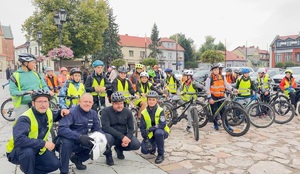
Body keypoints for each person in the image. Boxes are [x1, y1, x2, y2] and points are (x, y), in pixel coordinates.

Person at [6, 89, 69, 174]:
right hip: (16, 151)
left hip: (37, 149)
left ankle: (29, 168)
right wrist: (44, 143)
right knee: (28, 152)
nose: (43, 105)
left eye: (45, 101)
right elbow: (19, 140)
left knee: (54, 164)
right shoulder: (25, 118)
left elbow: (56, 115)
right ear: (33, 103)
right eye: (39, 101)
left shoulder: (48, 112)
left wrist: (62, 112)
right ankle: (28, 169)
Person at [56, 93, 112, 173]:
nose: (87, 104)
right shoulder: (71, 112)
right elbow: (62, 129)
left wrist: (103, 140)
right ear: (79, 101)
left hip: (82, 140)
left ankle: (78, 159)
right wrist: (79, 137)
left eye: (90, 102)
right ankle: (64, 170)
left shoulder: (93, 113)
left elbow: (97, 129)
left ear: (92, 103)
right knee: (66, 142)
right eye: (85, 101)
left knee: (105, 138)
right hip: (69, 140)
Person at [101, 92, 141, 165]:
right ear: (112, 103)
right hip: (111, 135)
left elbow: (131, 128)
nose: (119, 106)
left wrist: (127, 138)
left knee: (136, 144)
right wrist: (122, 137)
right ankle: (108, 154)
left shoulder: (127, 112)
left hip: (123, 135)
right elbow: (106, 127)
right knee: (107, 138)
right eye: (116, 104)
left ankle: (119, 149)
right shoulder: (106, 111)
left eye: (121, 103)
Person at [9, 53, 52, 118]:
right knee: (22, 124)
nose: (35, 65)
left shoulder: (36, 74)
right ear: (25, 63)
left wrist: (48, 91)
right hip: (23, 104)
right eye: (33, 63)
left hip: (37, 103)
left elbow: (44, 86)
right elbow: (13, 91)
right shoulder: (15, 76)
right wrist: (26, 92)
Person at [140, 91, 170, 164]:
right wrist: (146, 139)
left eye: (153, 100)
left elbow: (162, 124)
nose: (151, 101)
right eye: (150, 99)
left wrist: (152, 128)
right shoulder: (144, 112)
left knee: (158, 133)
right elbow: (142, 127)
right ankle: (153, 146)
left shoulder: (160, 110)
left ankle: (160, 154)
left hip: (162, 132)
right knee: (144, 150)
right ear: (147, 100)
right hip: (150, 134)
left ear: (156, 100)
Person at [205, 64, 237, 131]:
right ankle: (215, 124)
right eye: (214, 70)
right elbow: (207, 89)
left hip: (221, 97)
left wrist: (233, 89)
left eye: (217, 69)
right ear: (212, 71)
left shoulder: (222, 77)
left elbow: (227, 85)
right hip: (213, 97)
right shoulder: (209, 78)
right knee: (215, 111)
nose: (216, 71)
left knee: (224, 111)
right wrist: (209, 98)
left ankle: (227, 125)